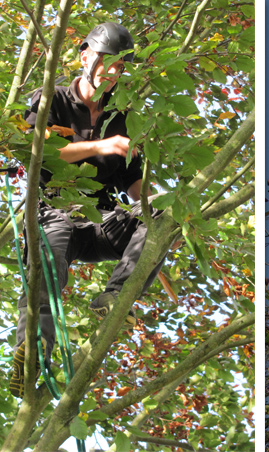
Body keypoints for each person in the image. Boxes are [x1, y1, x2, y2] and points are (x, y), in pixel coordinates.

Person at [9, 22, 164, 398]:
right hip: (55, 211)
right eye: (106, 62)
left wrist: (161, 209)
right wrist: (99, 146)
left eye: (120, 68)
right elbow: (32, 151)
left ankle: (116, 295)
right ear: (85, 57)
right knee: (49, 264)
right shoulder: (49, 100)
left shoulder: (122, 119)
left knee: (161, 216)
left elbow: (133, 184)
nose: (111, 73)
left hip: (101, 220)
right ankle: (32, 355)